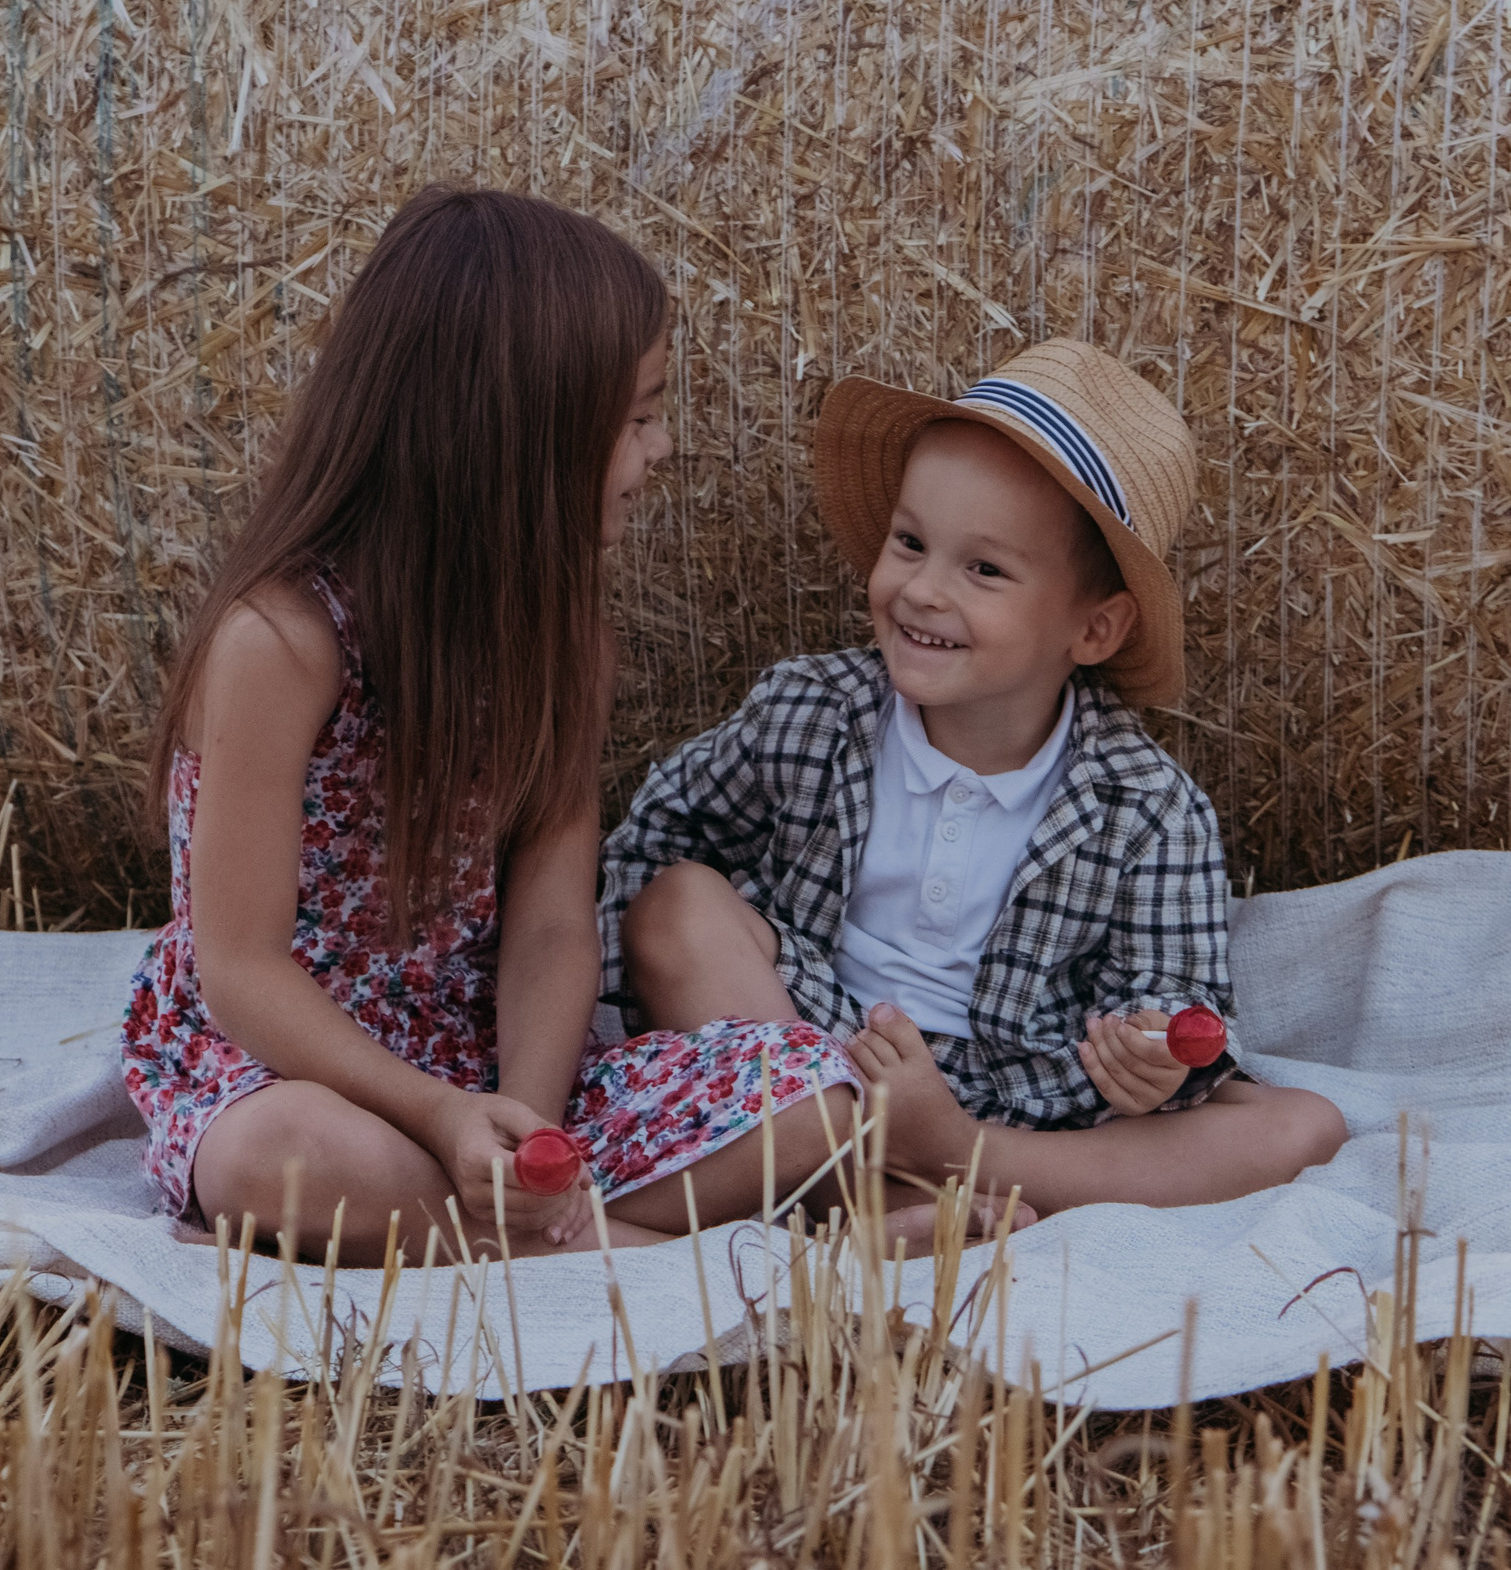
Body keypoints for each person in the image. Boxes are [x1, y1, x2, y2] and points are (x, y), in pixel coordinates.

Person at [120, 186, 865, 1263]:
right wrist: (436, 1115)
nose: (661, 448)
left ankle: (521, 1229)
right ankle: (629, 1249)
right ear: (518, 438)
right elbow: (240, 971)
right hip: (290, 1066)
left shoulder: (564, 639)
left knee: (814, 1095)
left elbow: (554, 925)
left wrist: (528, 1131)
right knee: (279, 1157)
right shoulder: (281, 644)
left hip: (481, 1066)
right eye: (638, 418)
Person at [604, 339, 1349, 1214]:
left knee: (1304, 1125)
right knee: (677, 903)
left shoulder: (1146, 805)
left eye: (984, 569)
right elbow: (655, 839)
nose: (923, 590)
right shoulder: (811, 711)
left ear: (1094, 630)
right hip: (819, 1047)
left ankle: (937, 1166)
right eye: (911, 542)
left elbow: (1176, 995)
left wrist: (1156, 1058)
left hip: (1024, 1098)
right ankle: (872, 1188)